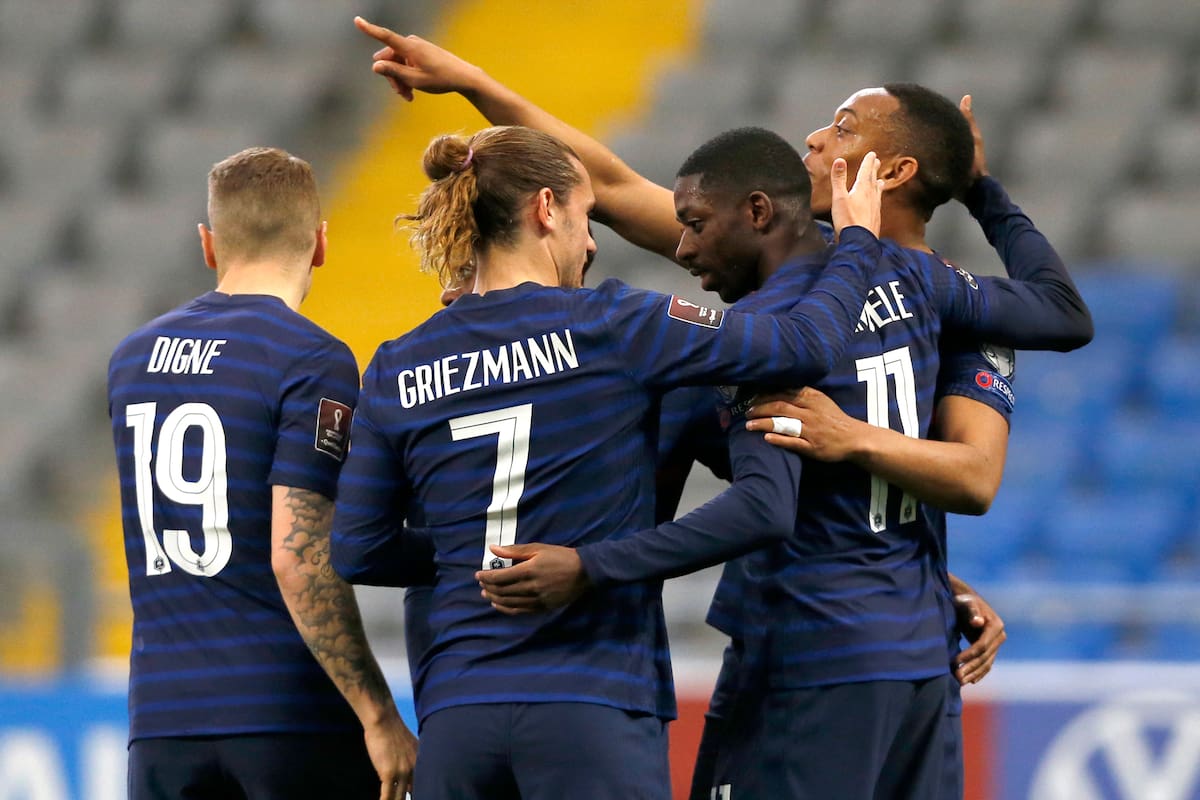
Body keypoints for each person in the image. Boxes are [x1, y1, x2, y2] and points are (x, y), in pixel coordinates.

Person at [349, 22, 1091, 799]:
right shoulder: (932, 288)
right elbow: (1059, 318)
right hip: (909, 642)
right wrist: (473, 82)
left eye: (842, 128)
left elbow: (967, 475)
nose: (815, 136)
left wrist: (851, 439)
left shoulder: (774, 322)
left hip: (801, 648)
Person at [328, 123, 887, 800]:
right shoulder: (614, 322)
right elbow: (804, 344)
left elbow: (358, 549)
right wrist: (858, 241)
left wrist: (471, 551)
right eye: (586, 216)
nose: (591, 242)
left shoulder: (395, 364)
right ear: (546, 208)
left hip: (458, 713)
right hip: (592, 702)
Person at [106, 147, 416, 800]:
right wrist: (378, 712)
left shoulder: (131, 359)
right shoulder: (311, 359)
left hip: (160, 725)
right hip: (285, 719)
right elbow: (297, 556)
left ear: (208, 244)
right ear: (321, 244)